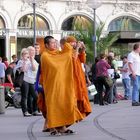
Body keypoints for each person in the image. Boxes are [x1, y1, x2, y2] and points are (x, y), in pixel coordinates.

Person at [40, 35, 83, 135]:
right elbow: (58, 65)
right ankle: (52, 128)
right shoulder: (45, 56)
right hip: (52, 86)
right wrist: (68, 46)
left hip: (62, 85)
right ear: (46, 45)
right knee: (54, 106)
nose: (54, 44)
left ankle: (62, 127)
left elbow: (69, 55)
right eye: (52, 43)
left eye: (55, 42)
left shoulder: (58, 53)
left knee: (63, 104)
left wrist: (68, 43)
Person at [66, 36, 92, 117]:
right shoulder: (67, 50)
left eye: (75, 42)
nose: (75, 43)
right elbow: (73, 59)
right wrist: (77, 48)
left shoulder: (74, 50)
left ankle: (81, 112)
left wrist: (83, 50)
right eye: (73, 42)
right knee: (75, 95)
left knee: (82, 94)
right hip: (73, 77)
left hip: (80, 76)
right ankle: (75, 113)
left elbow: (83, 60)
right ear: (69, 43)